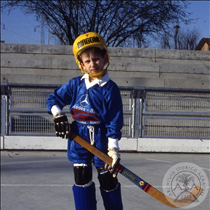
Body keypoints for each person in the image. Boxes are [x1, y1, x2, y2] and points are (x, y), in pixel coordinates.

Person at [47, 32, 124, 210]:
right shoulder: (75, 84)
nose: (92, 64)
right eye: (87, 61)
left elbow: (114, 120)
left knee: (107, 178)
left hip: (101, 137)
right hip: (78, 135)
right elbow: (53, 99)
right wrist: (58, 115)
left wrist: (113, 149)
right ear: (81, 64)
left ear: (105, 58)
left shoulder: (110, 89)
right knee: (81, 175)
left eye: (96, 58)